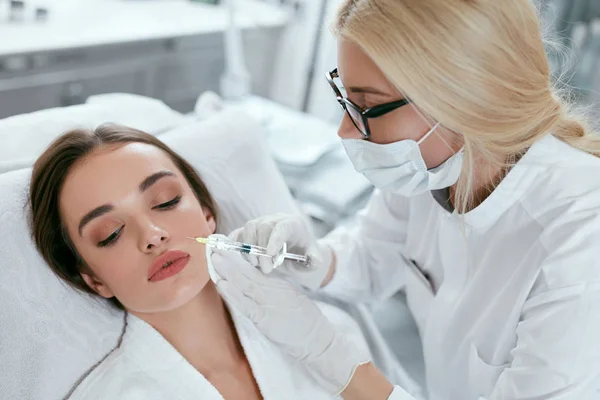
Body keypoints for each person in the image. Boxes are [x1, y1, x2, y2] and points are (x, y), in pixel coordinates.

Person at [209, 0, 600, 399]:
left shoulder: (582, 242)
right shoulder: (433, 169)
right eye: (346, 98)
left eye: (370, 106)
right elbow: (372, 257)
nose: (345, 130)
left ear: (466, 99)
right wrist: (310, 258)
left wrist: (331, 357)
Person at [28, 125, 370, 400]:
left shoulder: (327, 335)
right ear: (94, 280)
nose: (152, 234)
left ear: (207, 214)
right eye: (111, 233)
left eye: (166, 201)